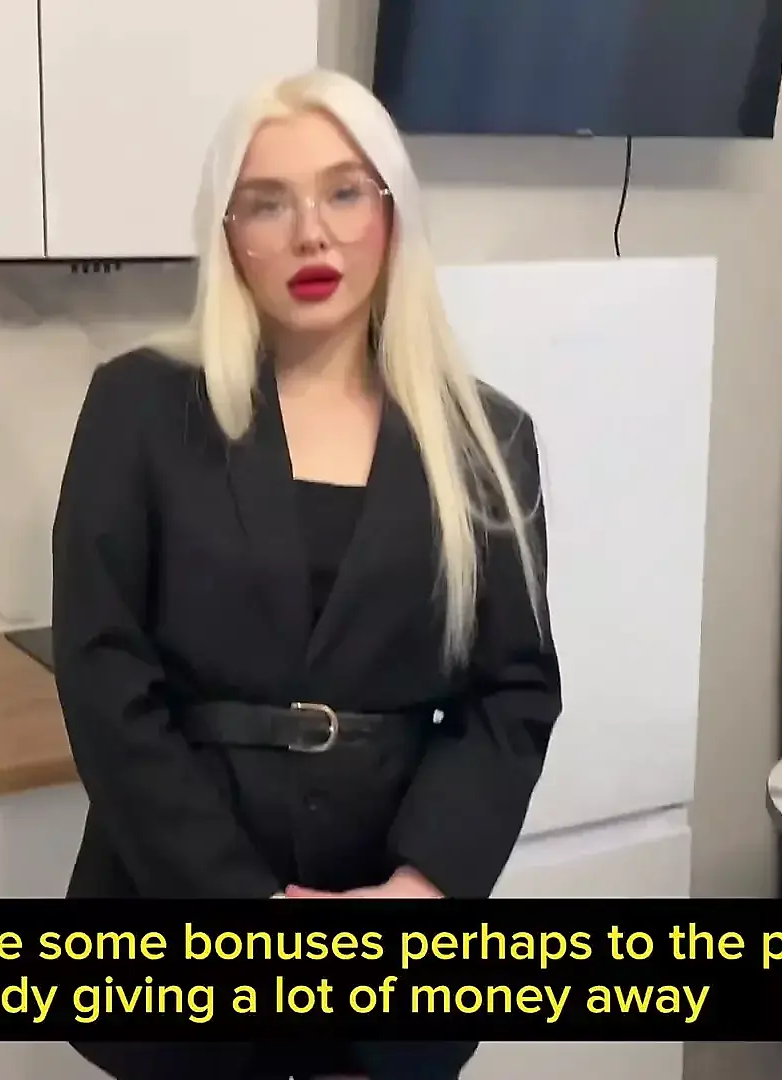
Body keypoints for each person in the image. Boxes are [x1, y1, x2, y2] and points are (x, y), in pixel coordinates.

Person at [51, 67, 563, 1080]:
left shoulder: (487, 437)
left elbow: (513, 693)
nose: (311, 235)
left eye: (344, 192)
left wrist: (423, 889)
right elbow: (105, 678)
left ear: (392, 213)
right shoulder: (138, 409)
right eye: (268, 203)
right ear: (228, 235)